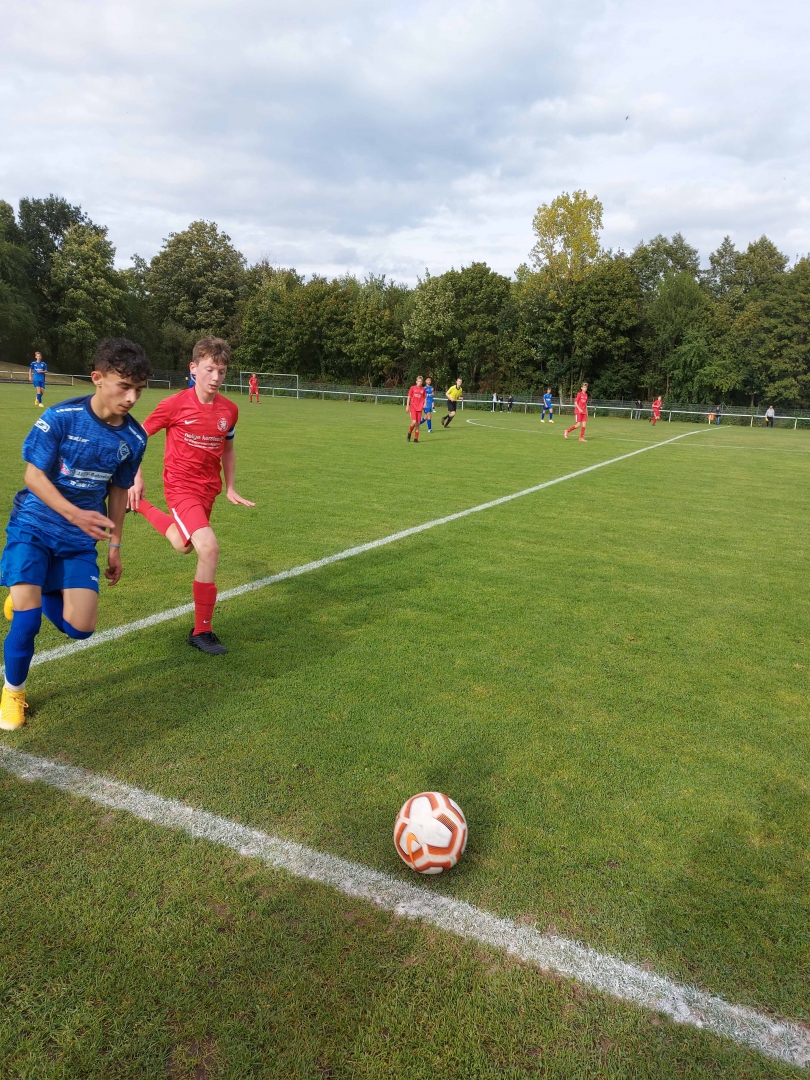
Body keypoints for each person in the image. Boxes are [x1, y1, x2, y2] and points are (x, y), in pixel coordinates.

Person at [1, 338, 150, 730]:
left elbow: (118, 490)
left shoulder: (134, 438)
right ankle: (13, 692)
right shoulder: (60, 417)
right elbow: (33, 477)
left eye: (139, 389)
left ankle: (29, 595)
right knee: (27, 623)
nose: (132, 398)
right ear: (97, 378)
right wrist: (75, 514)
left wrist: (115, 545)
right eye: (124, 386)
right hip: (33, 526)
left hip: (79, 539)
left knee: (80, 629)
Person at [128, 337, 254, 656]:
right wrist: (135, 475)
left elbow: (228, 450)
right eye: (209, 369)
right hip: (180, 487)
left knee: (185, 545)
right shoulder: (174, 404)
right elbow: (137, 436)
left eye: (222, 371)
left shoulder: (230, 410)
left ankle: (140, 506)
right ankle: (202, 631)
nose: (215, 377)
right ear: (193, 368)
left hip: (207, 489)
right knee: (209, 548)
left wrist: (230, 486)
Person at [406, 376, 426, 442]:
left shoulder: (423, 389)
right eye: (419, 381)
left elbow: (424, 397)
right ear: (416, 381)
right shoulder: (412, 388)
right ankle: (409, 433)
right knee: (414, 422)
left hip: (419, 408)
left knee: (418, 424)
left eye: (421, 381)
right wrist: (407, 406)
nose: (420, 382)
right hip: (413, 407)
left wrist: (425, 404)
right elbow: (409, 397)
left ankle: (416, 438)